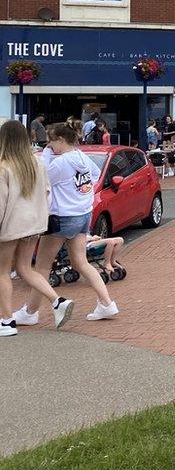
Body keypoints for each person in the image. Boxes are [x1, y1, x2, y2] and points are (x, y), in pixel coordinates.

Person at [22, 122, 118, 324]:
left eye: (51, 141)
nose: (49, 145)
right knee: (81, 263)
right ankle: (107, 303)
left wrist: (46, 155)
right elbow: (93, 176)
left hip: (62, 217)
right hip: (83, 214)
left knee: (41, 267)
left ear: (61, 140)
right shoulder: (82, 156)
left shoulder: (61, 162)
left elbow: (42, 179)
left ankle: (30, 312)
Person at [0, 122, 74, 336]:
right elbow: (47, 193)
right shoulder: (38, 163)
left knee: (3, 272)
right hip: (34, 224)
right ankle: (57, 301)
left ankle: (6, 321)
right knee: (25, 269)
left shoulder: (4, 166)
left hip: (10, 225)